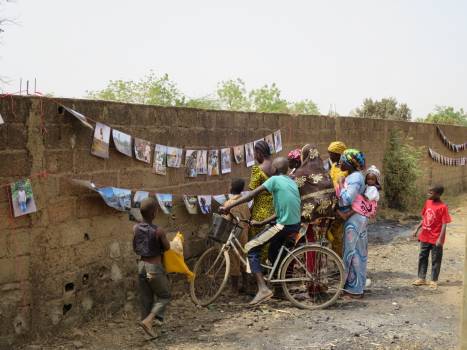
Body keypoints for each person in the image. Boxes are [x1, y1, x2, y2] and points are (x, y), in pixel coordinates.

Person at [220, 157, 301, 305]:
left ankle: (263, 289)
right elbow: (282, 210)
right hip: (294, 225)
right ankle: (280, 290)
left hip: (282, 225)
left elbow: (250, 195)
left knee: (251, 247)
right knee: (274, 254)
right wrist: (262, 222)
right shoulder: (291, 182)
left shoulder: (274, 180)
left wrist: (228, 207)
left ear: (275, 170)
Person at [133, 197, 171, 338]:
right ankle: (149, 320)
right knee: (164, 296)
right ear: (155, 213)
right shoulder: (158, 231)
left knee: (146, 299)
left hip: (141, 265)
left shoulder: (135, 228)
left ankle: (147, 332)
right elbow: (167, 247)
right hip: (154, 267)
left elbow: (135, 247)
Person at [336, 149, 368, 298]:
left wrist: (339, 186)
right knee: (353, 252)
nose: (339, 163)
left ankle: (355, 290)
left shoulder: (355, 178)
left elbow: (347, 199)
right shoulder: (353, 176)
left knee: (354, 252)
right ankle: (351, 287)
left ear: (349, 163)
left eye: (342, 160)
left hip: (355, 220)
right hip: (355, 218)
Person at [412, 185, 451, 289]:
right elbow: (425, 217)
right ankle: (421, 278)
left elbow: (444, 224)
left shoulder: (443, 207)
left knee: (436, 259)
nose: (428, 194)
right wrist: (417, 229)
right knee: (422, 257)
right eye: (428, 192)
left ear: (437, 194)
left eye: (431, 193)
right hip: (425, 236)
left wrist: (440, 239)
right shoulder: (428, 203)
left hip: (436, 238)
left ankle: (433, 280)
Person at [222, 178, 251, 293]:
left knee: (233, 259)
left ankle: (234, 288)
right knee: (244, 258)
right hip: (244, 233)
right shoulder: (244, 201)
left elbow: (226, 219)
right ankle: (246, 285)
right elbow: (248, 216)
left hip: (234, 234)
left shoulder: (229, 203)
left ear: (231, 188)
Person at [248, 141, 275, 245]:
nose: (255, 157)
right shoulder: (276, 167)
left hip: (260, 214)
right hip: (274, 212)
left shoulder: (257, 170)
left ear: (259, 153)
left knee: (255, 247)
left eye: (255, 154)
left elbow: (251, 193)